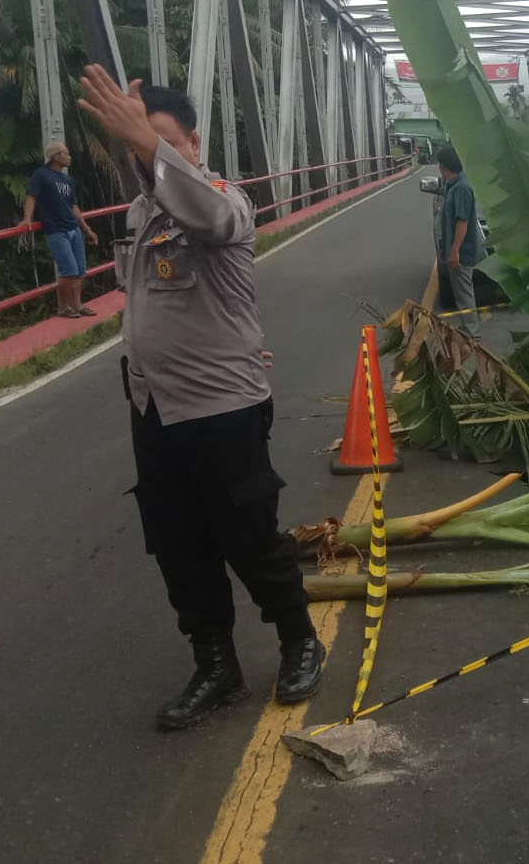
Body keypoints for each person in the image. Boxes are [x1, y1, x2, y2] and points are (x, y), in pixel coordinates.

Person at [76, 66, 323, 730]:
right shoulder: (137, 215)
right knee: (179, 545)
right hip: (154, 409)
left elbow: (210, 218)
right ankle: (216, 666)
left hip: (224, 410)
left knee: (249, 538)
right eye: (136, 146)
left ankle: (300, 641)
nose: (146, 156)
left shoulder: (226, 201)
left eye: (159, 143)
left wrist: (146, 144)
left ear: (192, 143)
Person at [20, 140, 99, 318]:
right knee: (68, 270)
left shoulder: (68, 179)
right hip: (56, 230)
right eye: (66, 153)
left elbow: (74, 207)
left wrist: (87, 229)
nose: (69, 157)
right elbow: (31, 196)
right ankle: (64, 307)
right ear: (56, 156)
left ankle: (78, 306)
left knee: (79, 270)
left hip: (73, 228)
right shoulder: (42, 175)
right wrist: (27, 219)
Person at [437, 145, 483, 339]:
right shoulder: (453, 186)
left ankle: (472, 333)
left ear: (443, 166)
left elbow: (462, 222)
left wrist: (455, 250)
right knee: (460, 291)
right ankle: (467, 329)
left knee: (464, 291)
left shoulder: (461, 188)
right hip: (454, 249)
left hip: (462, 250)